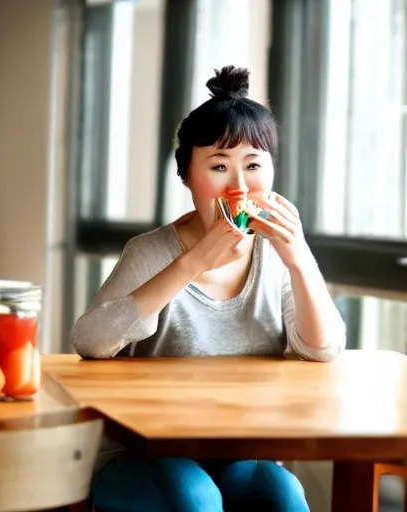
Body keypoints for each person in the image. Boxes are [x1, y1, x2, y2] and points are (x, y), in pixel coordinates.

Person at [71, 65, 346, 512]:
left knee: (287, 494)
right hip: (143, 456)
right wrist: (192, 263)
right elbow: (89, 341)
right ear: (186, 176)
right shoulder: (150, 252)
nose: (238, 186)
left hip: (236, 455)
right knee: (196, 497)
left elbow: (323, 349)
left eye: (253, 165)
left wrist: (298, 258)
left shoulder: (276, 256)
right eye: (219, 166)